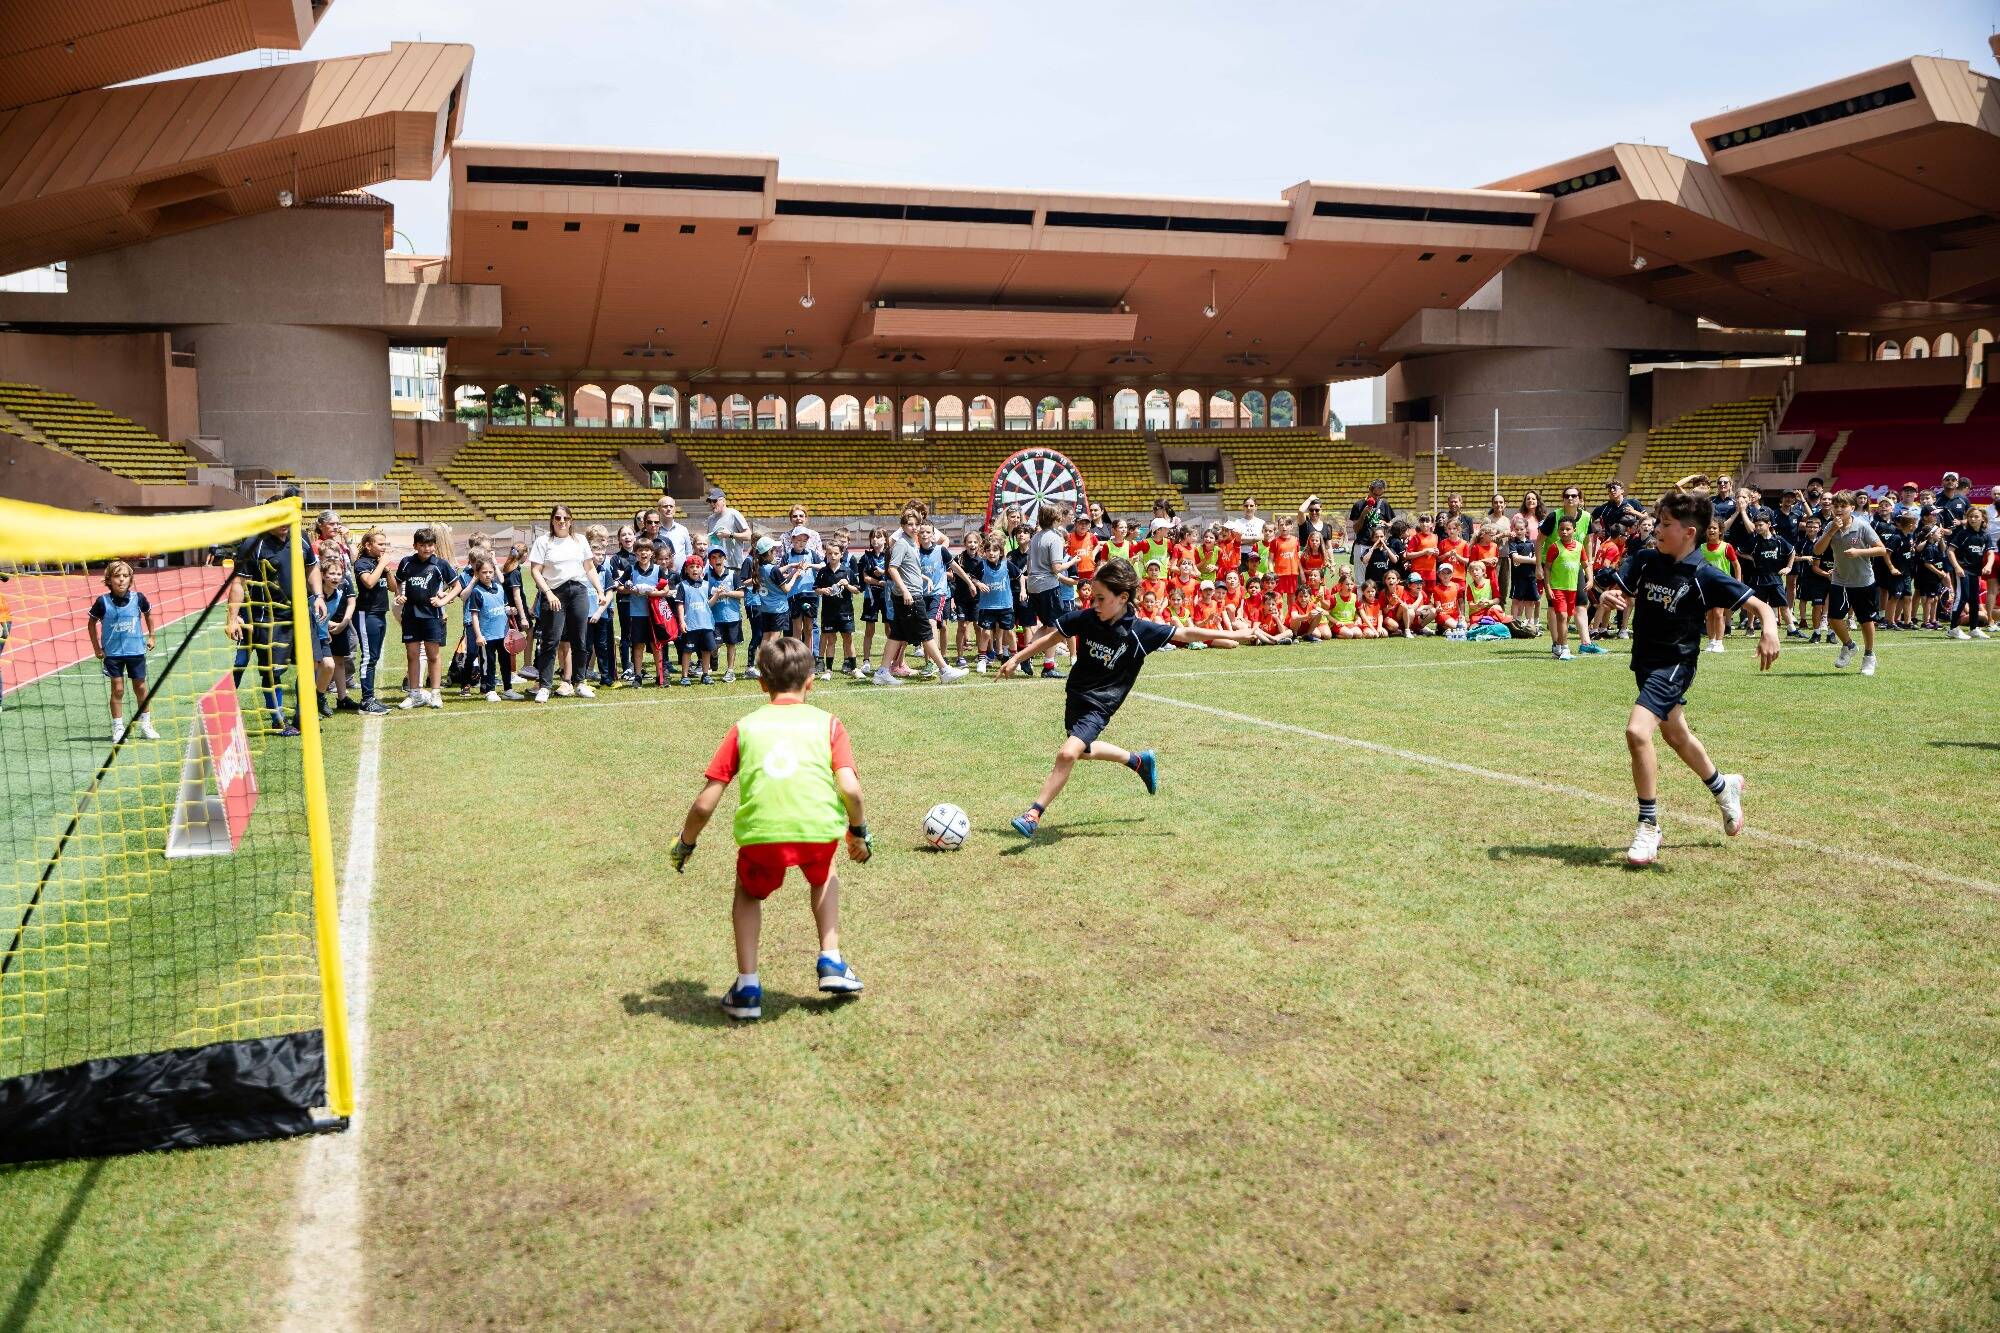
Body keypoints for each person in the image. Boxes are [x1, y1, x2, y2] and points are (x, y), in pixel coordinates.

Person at [667, 637, 872, 1022]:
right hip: (817, 831)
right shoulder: (829, 724)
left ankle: (747, 986)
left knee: (748, 892)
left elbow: (704, 802)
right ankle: (831, 959)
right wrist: (857, 831)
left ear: (761, 683)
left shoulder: (744, 728)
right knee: (824, 871)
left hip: (762, 836)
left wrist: (685, 843)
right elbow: (850, 788)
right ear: (811, 680)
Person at [1001, 558, 1255, 840]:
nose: (1094, 604)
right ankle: (1138, 761)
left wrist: (1234, 634)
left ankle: (1033, 814)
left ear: (1122, 597)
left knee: (1067, 753)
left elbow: (1185, 632)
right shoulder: (1086, 618)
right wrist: (1016, 658)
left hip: (1100, 706)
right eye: (1093, 597)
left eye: (1100, 598)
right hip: (1075, 696)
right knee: (1083, 751)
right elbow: (1052, 637)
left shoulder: (1139, 631)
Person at [1596, 488, 1778, 867]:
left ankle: (1649, 825)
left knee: (1637, 732)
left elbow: (1760, 605)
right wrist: (1607, 597)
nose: (1656, 530)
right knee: (1675, 733)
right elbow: (1613, 589)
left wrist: (1770, 630)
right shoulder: (1646, 560)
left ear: (1689, 533)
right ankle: (1723, 786)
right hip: (1644, 662)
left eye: (1665, 525)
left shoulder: (1703, 574)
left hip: (1675, 664)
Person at [227, 507, 320, 736]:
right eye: (279, 519)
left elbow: (312, 567)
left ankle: (303, 715)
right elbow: (239, 583)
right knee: (272, 671)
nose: (284, 524)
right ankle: (278, 719)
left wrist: (318, 596)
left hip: (301, 614)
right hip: (269, 618)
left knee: (312, 664)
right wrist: (232, 618)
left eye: (287, 519)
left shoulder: (301, 537)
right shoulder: (254, 544)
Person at [877, 507, 967, 686]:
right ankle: (944, 669)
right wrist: (905, 591)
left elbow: (908, 568)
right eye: (909, 524)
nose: (914, 527)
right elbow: (892, 568)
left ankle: (882, 672)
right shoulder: (902, 543)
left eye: (916, 524)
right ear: (902, 526)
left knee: (897, 634)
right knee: (926, 632)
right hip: (910, 596)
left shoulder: (911, 542)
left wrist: (924, 577)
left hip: (911, 593)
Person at [528, 506, 598, 703]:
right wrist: (548, 593)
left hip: (578, 591)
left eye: (566, 518)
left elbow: (589, 567)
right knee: (551, 640)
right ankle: (545, 685)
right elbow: (535, 571)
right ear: (552, 520)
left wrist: (600, 590)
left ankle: (580, 682)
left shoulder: (580, 540)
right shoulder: (543, 542)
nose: (562, 521)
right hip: (554, 592)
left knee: (580, 640)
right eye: (558, 518)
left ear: (571, 520)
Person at [1815, 490, 1887, 675]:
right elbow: (1817, 550)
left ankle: (1869, 656)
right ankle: (1849, 645)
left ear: (1852, 508)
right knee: (1834, 618)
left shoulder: (1862, 526)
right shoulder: (1830, 526)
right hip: (1840, 579)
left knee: (1865, 620)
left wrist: (1859, 552)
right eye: (1836, 505)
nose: (1838, 509)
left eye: (1843, 506)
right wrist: (1831, 531)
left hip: (1863, 581)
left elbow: (1881, 549)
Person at [89, 560, 158, 742]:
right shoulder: (102, 602)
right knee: (117, 689)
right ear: (109, 580)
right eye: (117, 576)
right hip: (113, 654)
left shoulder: (139, 598)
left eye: (125, 576)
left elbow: (149, 614)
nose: (121, 580)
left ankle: (146, 725)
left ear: (131, 579)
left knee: (141, 688)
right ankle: (118, 728)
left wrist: (152, 636)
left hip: (135, 651)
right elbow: (91, 623)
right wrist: (97, 647)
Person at [394, 527, 456, 709]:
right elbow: (398, 581)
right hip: (410, 616)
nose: (426, 549)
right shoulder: (406, 562)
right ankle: (415, 694)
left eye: (430, 545)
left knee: (433, 655)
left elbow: (457, 585)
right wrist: (399, 595)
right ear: (415, 546)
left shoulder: (440, 564)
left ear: (434, 546)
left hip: (431, 616)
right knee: (412, 655)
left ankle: (436, 694)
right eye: (422, 545)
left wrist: (444, 598)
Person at [1019, 503, 1074, 681]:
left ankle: (1026, 655)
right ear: (1056, 518)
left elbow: (1029, 564)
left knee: (1046, 625)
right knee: (1055, 626)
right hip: (1047, 585)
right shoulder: (1055, 537)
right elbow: (1056, 568)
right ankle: (1049, 666)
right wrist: (1072, 562)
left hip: (1034, 585)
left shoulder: (1035, 537)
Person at [348, 529, 392, 715]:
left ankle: (371, 697)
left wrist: (387, 570)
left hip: (380, 613)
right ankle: (366, 701)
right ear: (368, 545)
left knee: (373, 657)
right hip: (367, 614)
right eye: (380, 544)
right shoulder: (362, 563)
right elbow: (369, 582)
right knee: (368, 657)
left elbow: (392, 587)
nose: (384, 547)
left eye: (385, 544)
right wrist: (382, 564)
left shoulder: (377, 563)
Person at [464, 556, 517, 702]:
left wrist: (510, 610)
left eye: (490, 572)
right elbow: (474, 616)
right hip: (487, 636)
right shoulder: (477, 592)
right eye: (484, 572)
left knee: (505, 662)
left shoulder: (499, 588)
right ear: (478, 574)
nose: (488, 575)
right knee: (488, 664)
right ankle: (490, 689)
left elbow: (504, 607)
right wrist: (479, 635)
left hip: (503, 634)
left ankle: (508, 689)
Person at [1540, 515, 1588, 660]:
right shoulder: (1554, 547)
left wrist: (1590, 579)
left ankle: (1558, 648)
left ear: (1574, 530)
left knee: (1566, 619)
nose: (1564, 532)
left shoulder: (1580, 547)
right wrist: (1548, 587)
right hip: (1557, 588)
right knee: (1561, 616)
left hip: (1572, 588)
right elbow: (1547, 568)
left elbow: (1586, 564)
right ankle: (1566, 649)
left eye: (1568, 529)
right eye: (1561, 529)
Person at [816, 531, 859, 678]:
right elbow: (816, 589)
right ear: (826, 554)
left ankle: (853, 668)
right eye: (829, 553)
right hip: (829, 613)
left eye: (835, 553)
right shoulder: (822, 572)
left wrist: (847, 585)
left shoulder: (847, 571)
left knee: (848, 639)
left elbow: (857, 590)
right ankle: (828, 670)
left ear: (841, 554)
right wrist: (823, 590)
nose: (832, 556)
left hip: (845, 612)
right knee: (831, 640)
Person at [1947, 504, 1992, 639]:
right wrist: (1957, 567)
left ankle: (1974, 628)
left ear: (1983, 518)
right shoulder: (1963, 534)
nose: (1972, 519)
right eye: (1970, 517)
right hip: (1963, 570)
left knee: (1974, 601)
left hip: (1975, 572)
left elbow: (1990, 553)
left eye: (1976, 517)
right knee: (1962, 598)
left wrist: (1988, 565)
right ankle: (1953, 628)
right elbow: (1950, 551)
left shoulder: (1985, 536)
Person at [1696, 521, 1741, 654]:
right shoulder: (1702, 547)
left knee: (1718, 613)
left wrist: (1737, 582)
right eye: (1709, 528)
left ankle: (1719, 642)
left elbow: (1736, 565)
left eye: (1714, 528)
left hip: (1722, 584)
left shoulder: (1726, 547)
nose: (1712, 530)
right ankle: (1711, 642)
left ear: (1720, 531)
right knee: (1709, 614)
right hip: (1706, 585)